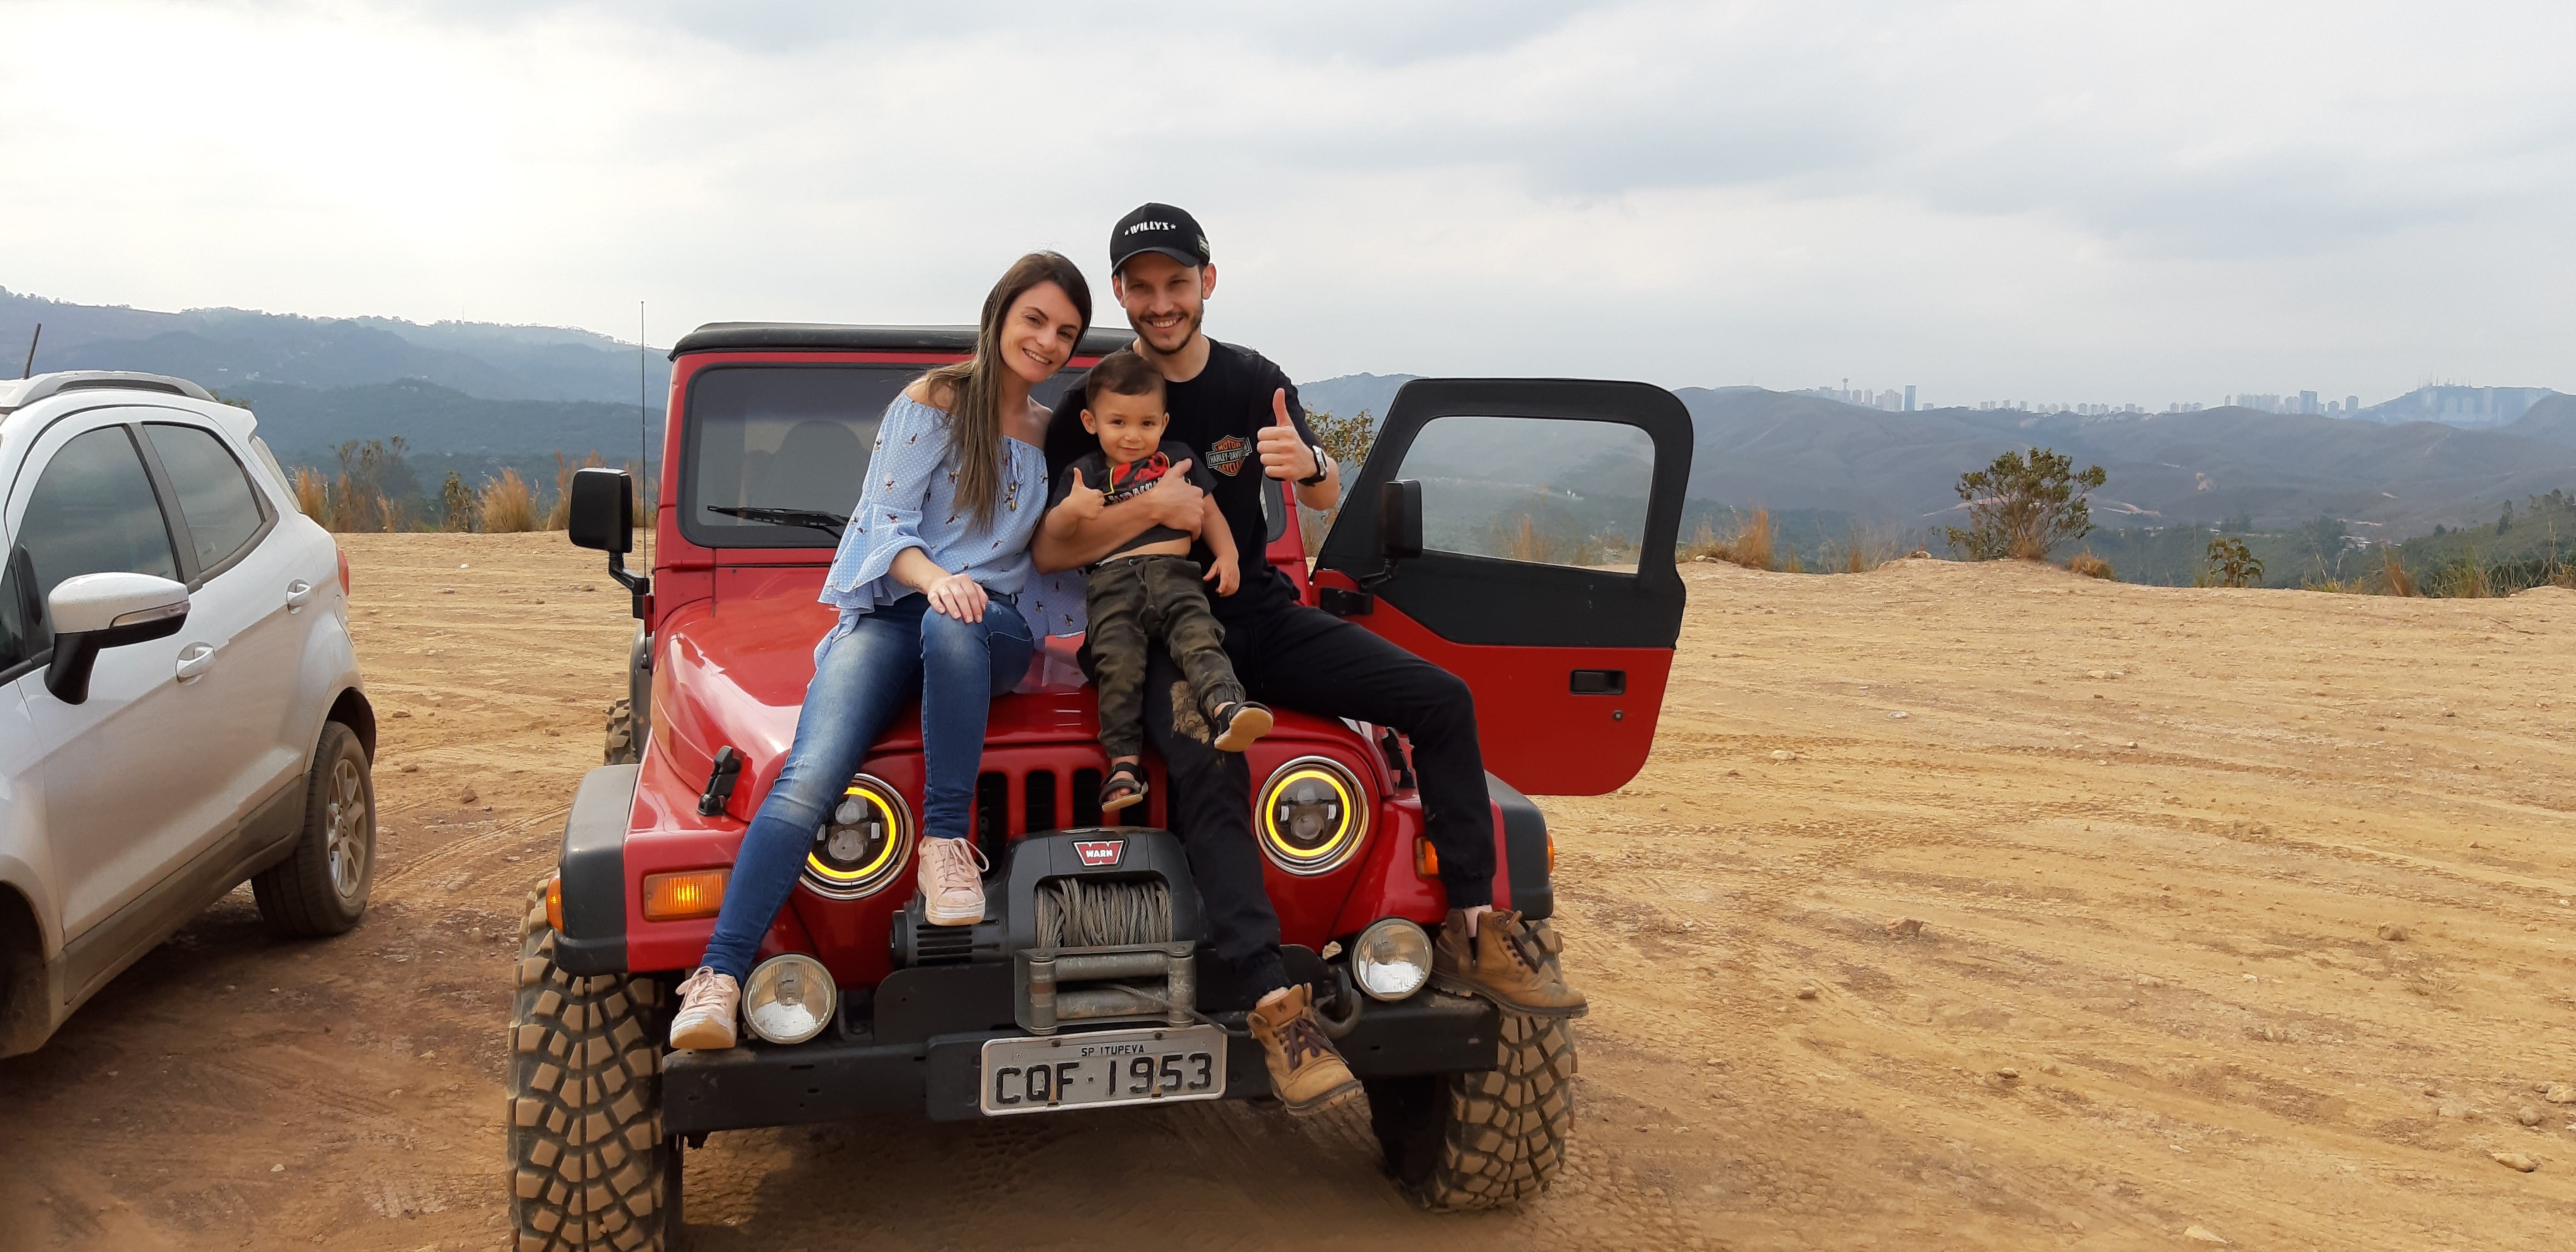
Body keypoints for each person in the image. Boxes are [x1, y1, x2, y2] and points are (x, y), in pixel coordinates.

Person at [1033, 204, 1585, 1114]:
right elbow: (1052, 550)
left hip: (1259, 613)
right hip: (1154, 629)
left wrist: (1311, 460)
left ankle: (1476, 927)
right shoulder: (1101, 398)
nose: (1161, 302)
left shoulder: (1256, 381)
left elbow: (1325, 486)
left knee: (1441, 698)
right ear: (1124, 293)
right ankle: (1271, 1001)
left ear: (1207, 283)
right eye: (1142, 285)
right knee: (1214, 767)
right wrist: (1163, 510)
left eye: (1178, 283)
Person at [668, 251, 1091, 1051]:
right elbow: (882, 523)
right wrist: (936, 579)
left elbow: (1070, 541)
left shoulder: (1050, 433)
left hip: (988, 630)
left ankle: (942, 842)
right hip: (900, 611)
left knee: (956, 623)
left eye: (1065, 332)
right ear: (999, 313)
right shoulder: (933, 401)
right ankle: (718, 979)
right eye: (1034, 319)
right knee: (808, 775)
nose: (1047, 341)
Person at [1040, 348, 1272, 815]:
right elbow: (1054, 536)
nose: (1132, 435)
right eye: (1118, 422)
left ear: (1164, 424)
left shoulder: (1177, 460)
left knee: (1199, 641)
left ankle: (1228, 710)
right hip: (1112, 585)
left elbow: (1208, 511)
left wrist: (1228, 555)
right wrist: (1070, 510)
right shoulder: (1083, 475)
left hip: (1177, 576)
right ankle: (1124, 764)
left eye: (1146, 424)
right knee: (1118, 668)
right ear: (1091, 421)